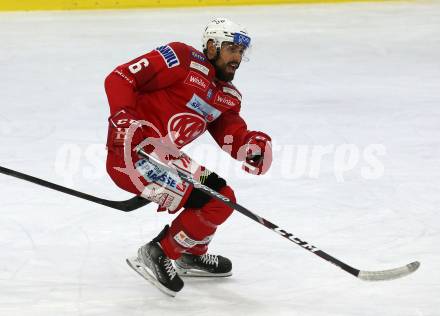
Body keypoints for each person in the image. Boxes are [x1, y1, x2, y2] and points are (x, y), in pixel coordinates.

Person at [104, 17, 272, 296]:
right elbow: (120, 77)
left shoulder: (228, 95)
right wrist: (122, 116)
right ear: (211, 46)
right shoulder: (180, 58)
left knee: (223, 196)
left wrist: (250, 146)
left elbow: (229, 131)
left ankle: (188, 252)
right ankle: (158, 252)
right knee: (211, 201)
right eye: (231, 49)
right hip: (132, 158)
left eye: (242, 52)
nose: (237, 57)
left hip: (168, 159)